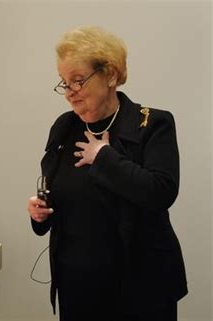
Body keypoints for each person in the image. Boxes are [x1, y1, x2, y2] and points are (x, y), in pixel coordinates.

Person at [27, 26, 187, 321]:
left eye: (78, 81)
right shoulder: (64, 127)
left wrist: (103, 157)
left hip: (140, 290)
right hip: (78, 288)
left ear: (111, 75)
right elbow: (56, 189)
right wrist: (41, 213)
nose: (69, 94)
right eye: (64, 83)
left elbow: (160, 191)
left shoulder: (153, 125)